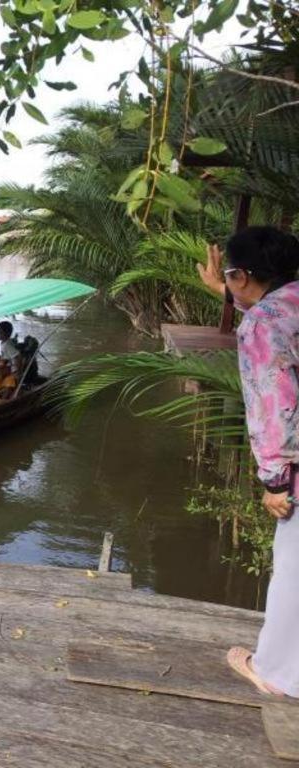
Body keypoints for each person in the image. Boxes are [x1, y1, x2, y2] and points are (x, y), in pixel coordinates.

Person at [197, 226, 299, 698]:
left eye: (232, 275)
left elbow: (274, 404)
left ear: (241, 274)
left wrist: (275, 479)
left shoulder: (260, 325)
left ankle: (276, 673)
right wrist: (227, 289)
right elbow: (276, 312)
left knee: (293, 572)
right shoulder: (289, 304)